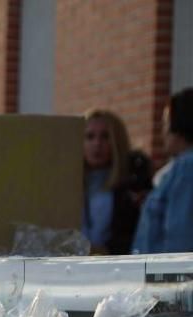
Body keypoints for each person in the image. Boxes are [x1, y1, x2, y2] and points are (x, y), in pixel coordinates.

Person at [81, 110, 152, 254]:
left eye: (105, 136)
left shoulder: (134, 182)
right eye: (89, 136)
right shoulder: (69, 182)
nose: (97, 144)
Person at [132, 88, 193, 254]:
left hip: (164, 274)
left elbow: (180, 233)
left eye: (166, 123)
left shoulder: (186, 168)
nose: (162, 132)